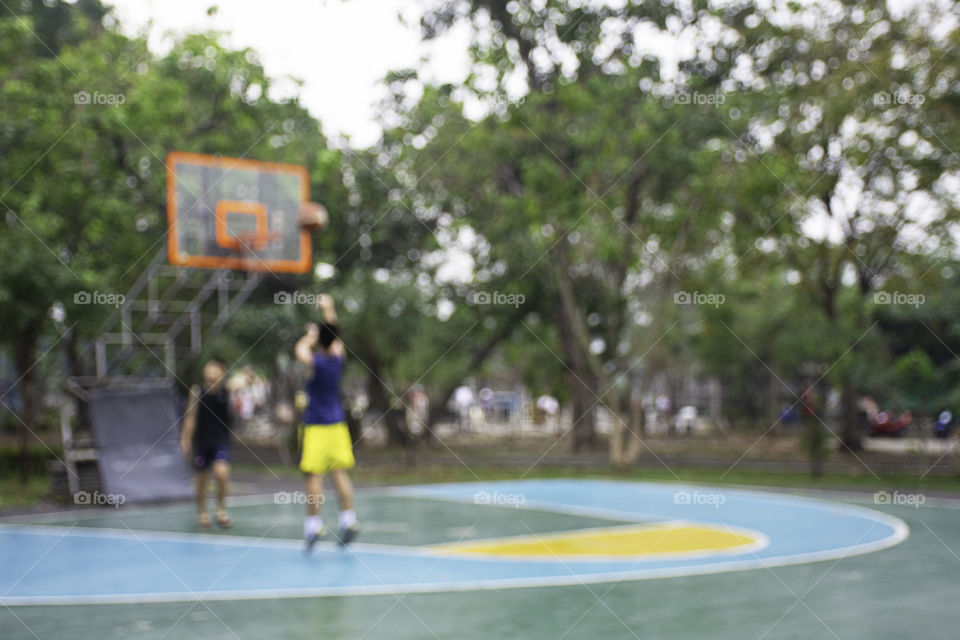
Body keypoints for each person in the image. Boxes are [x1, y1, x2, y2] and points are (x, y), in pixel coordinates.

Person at [295, 294, 358, 551]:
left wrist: (310, 337)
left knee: (313, 475)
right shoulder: (337, 360)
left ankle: (314, 524)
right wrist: (329, 309)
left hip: (316, 426)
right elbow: (335, 338)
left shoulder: (317, 362)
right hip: (338, 426)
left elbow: (299, 350)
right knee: (340, 473)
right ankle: (348, 519)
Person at [180, 359, 233, 529]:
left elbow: (242, 382)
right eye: (209, 369)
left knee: (222, 473)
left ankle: (220, 509)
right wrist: (185, 439)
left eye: (215, 370)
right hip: (202, 442)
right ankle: (202, 512)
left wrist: (248, 376)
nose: (212, 373)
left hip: (220, 441)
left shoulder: (227, 391)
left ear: (222, 373)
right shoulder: (197, 392)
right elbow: (190, 417)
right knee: (202, 480)